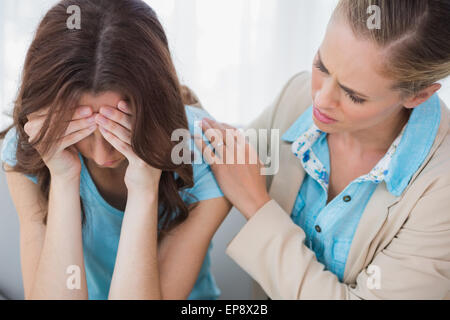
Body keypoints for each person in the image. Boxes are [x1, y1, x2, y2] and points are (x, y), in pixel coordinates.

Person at [197, 0, 450, 299]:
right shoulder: (297, 97)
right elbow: (222, 165)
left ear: (418, 95)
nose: (321, 99)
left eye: (354, 95)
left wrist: (256, 206)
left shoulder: (440, 189)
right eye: (322, 66)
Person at [0, 0, 230, 300]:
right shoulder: (30, 147)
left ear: (154, 107)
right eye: (80, 131)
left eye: (119, 128)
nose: (101, 155)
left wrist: (144, 186)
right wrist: (64, 177)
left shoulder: (205, 153)